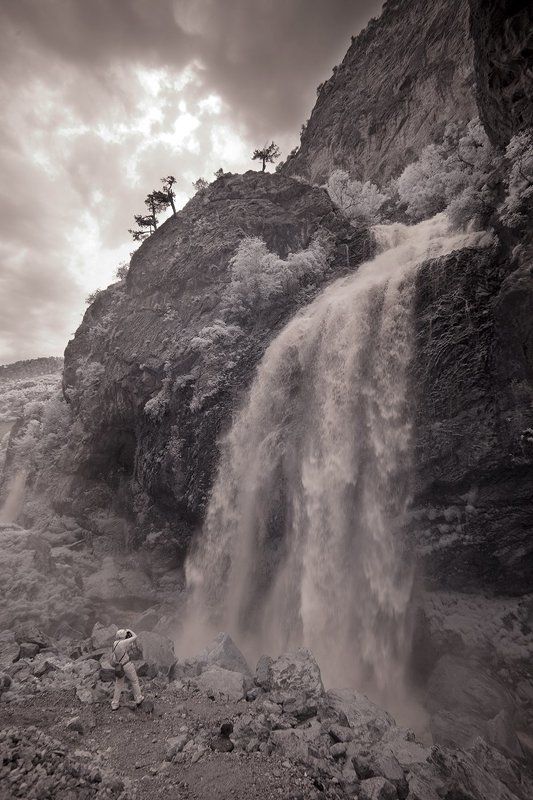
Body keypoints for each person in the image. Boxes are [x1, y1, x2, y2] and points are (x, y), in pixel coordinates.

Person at [110, 628, 144, 710]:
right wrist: (129, 630)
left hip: (119, 667)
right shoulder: (123, 643)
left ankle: (114, 704)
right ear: (122, 636)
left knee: (118, 685)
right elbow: (135, 637)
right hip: (127, 665)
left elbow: (115, 657)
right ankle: (138, 698)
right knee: (134, 681)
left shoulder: (115, 643)